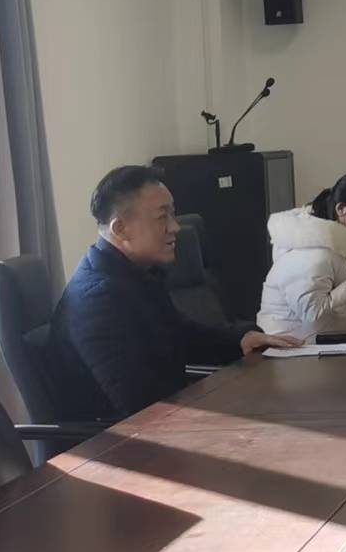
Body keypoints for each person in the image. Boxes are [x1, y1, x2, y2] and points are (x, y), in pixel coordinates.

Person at [52, 166, 299, 417]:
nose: (175, 227)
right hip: (122, 437)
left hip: (166, 422)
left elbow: (179, 334)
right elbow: (140, 406)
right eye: (162, 217)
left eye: (173, 214)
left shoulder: (132, 275)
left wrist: (240, 339)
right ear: (120, 229)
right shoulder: (98, 299)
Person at [258, 172, 346, 338]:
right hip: (291, 345)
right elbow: (312, 314)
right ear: (342, 209)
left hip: (318, 341)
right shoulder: (312, 255)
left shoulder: (345, 248)